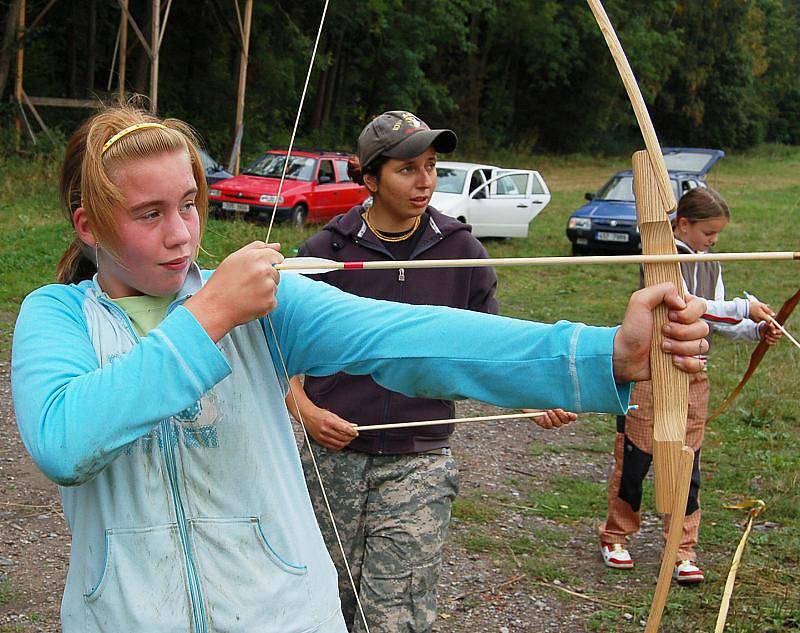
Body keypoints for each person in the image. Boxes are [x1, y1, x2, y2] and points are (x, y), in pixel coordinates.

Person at [11, 104, 708, 633]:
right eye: (149, 213)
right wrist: (208, 316)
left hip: (282, 615)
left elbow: (412, 338)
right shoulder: (59, 316)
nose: (182, 233)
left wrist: (605, 353)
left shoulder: (259, 301)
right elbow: (66, 442)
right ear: (87, 224)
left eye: (190, 203)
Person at [285, 110, 575, 633]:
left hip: (418, 462)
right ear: (369, 178)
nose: (424, 182)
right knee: (324, 604)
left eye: (432, 166)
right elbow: (280, 355)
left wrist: (533, 393)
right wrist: (305, 412)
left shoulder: (461, 251)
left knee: (397, 616)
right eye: (406, 169)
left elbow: (489, 346)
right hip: (332, 459)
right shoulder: (324, 253)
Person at [598, 186, 781, 585]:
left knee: (687, 461)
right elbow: (686, 303)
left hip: (691, 373)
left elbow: (712, 317)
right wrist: (743, 307)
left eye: (717, 234)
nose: (714, 241)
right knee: (636, 458)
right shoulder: (662, 257)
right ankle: (616, 536)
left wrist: (755, 329)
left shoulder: (708, 261)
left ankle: (682, 549)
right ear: (683, 224)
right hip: (648, 375)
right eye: (708, 232)